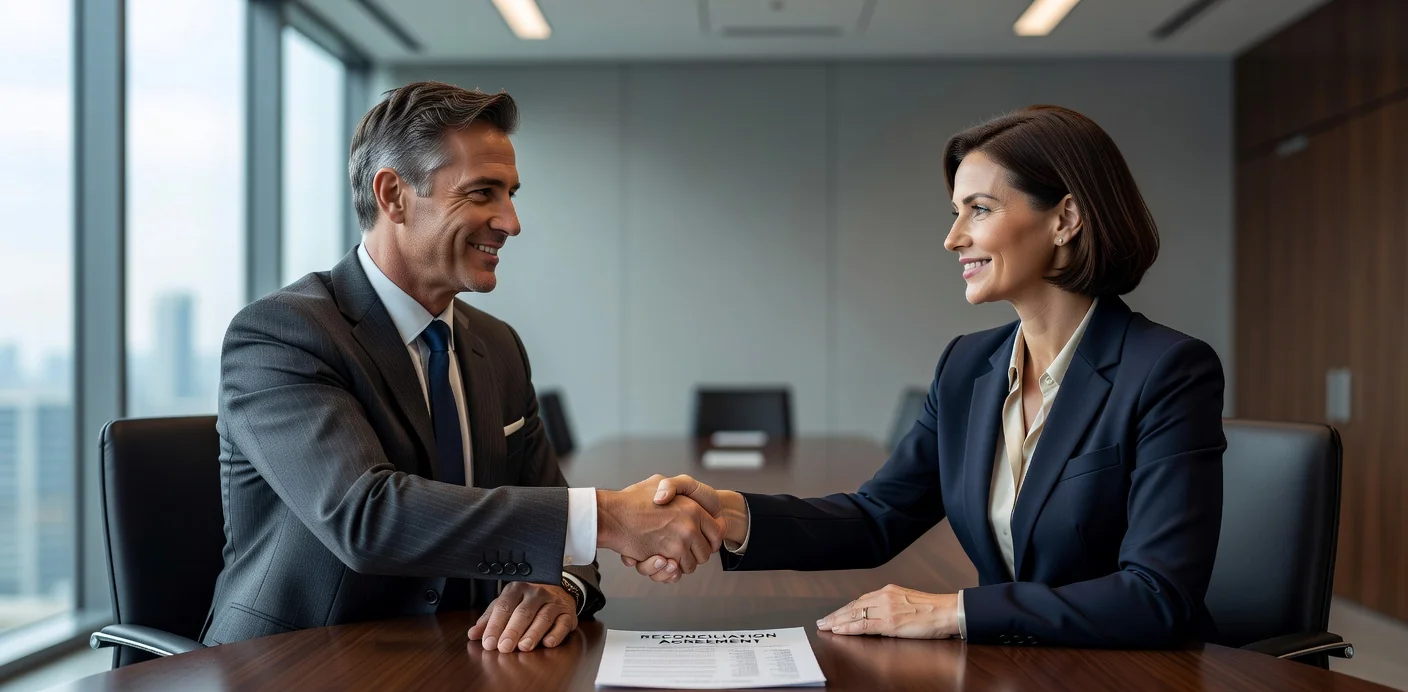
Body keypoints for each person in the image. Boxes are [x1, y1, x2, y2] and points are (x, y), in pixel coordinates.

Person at [631, 105, 1226, 648]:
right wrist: (732, 515)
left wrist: (955, 612)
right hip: (1021, 681)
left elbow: (1158, 595)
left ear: (1065, 218)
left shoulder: (1167, 371)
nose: (952, 238)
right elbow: (877, 518)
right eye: (955, 212)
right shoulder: (968, 366)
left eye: (980, 210)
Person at [204, 82, 723, 654]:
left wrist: (561, 587)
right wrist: (609, 517)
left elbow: (551, 515)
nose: (511, 221)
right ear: (394, 195)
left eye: (511, 194)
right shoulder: (283, 335)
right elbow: (366, 518)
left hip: (454, 667)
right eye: (483, 193)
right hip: (294, 680)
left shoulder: (497, 347)